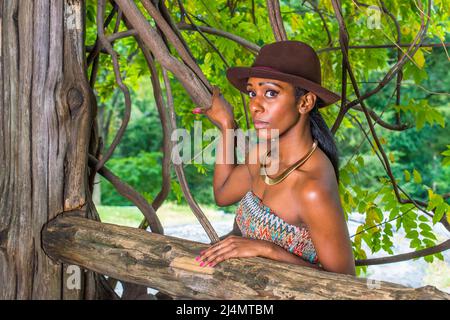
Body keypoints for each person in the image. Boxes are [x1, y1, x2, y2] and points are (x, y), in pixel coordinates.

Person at [191, 41, 356, 276]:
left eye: (270, 93)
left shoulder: (312, 188)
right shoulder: (262, 155)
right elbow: (223, 193)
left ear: (304, 102)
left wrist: (268, 250)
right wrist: (227, 126)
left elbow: (345, 283)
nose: (255, 106)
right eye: (252, 93)